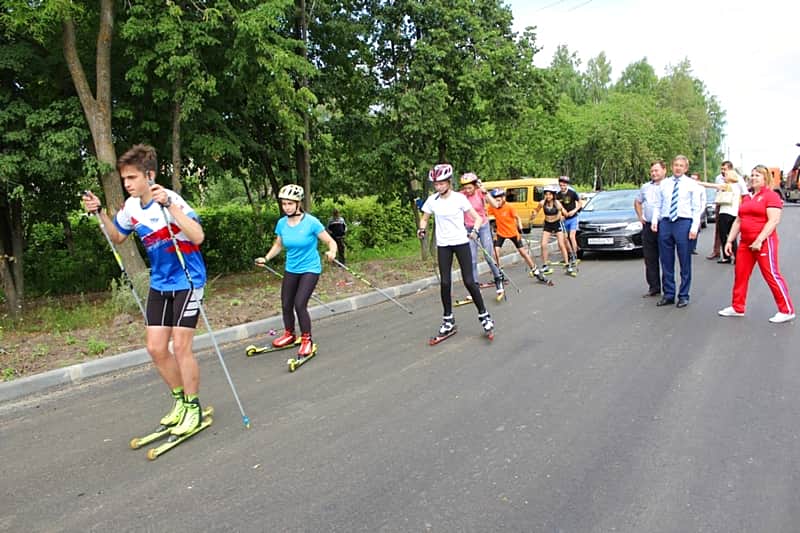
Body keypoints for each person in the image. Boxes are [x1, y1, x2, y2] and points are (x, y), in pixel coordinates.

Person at [82, 144, 208, 436]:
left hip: (188, 280)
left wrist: (170, 207)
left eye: (132, 178)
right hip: (160, 282)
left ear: (149, 175)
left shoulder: (171, 199)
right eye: (124, 179)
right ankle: (179, 401)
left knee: (181, 345)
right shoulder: (130, 208)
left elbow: (198, 236)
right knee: (154, 347)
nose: (126, 184)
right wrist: (100, 212)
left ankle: (194, 407)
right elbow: (118, 237)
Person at [255, 184, 338, 357]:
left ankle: (306, 339)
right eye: (284, 204)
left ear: (298, 203)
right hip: (291, 268)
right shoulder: (282, 223)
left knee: (300, 304)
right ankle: (289, 334)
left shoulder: (311, 222)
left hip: (310, 269)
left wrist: (332, 252)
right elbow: (278, 244)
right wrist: (267, 258)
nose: (286, 207)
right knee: (286, 304)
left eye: (290, 204)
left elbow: (330, 241)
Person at [417, 164, 495, 337]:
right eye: (436, 184)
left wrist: (474, 231)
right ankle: (448, 319)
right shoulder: (432, 200)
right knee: (445, 283)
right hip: (444, 245)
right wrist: (421, 229)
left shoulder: (459, 198)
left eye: (441, 183)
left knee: (469, 281)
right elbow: (424, 219)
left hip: (461, 243)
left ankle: (484, 316)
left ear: (449, 182)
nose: (438, 187)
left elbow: (477, 218)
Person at [718, 166, 794, 323]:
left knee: (771, 274)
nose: (753, 178)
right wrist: (730, 240)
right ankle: (737, 307)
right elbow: (739, 221)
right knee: (741, 274)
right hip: (746, 243)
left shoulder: (771, 196)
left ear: (765, 178)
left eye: (757, 175)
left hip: (764, 242)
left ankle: (786, 310)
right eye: (751, 175)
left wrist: (759, 239)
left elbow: (773, 220)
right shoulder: (747, 198)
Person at [651, 155, 703, 308]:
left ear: (686, 168)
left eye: (681, 165)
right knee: (666, 260)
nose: (678, 168)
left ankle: (684, 295)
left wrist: (694, 227)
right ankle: (668, 294)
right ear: (672, 166)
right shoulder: (664, 184)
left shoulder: (692, 184)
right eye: (675, 165)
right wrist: (655, 220)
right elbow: (658, 204)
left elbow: (696, 208)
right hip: (666, 222)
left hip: (683, 222)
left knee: (684, 260)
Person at [459, 172, 504, 299]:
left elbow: (496, 205)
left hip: (483, 226)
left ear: (475, 185)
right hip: (469, 228)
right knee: (472, 260)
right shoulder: (461, 196)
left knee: (488, 256)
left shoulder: (480, 192)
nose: (467, 190)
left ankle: (498, 279)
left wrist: (485, 192)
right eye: (465, 188)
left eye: (470, 187)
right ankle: (475, 288)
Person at [487, 188, 542, 277]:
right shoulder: (492, 207)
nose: (497, 203)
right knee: (495, 252)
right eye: (495, 201)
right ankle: (498, 271)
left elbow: (517, 217)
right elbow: (487, 215)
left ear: (503, 198)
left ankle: (534, 268)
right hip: (501, 233)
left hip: (513, 232)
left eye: (499, 200)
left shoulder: (509, 207)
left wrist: (520, 226)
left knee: (522, 252)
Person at [634, 159, 666, 297]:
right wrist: (640, 216)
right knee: (650, 258)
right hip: (648, 226)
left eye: (656, 170)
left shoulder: (669, 185)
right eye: (652, 171)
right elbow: (637, 201)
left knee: (666, 257)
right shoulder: (645, 187)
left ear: (664, 171)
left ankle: (668, 288)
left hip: (664, 225)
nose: (654, 173)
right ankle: (654, 287)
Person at [531, 186, 570, 275]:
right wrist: (533, 215)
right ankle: (545, 265)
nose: (548, 196)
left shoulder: (557, 203)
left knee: (561, 244)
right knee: (543, 244)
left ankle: (567, 264)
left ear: (553, 195)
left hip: (556, 224)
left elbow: (565, 213)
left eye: (550, 194)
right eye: (546, 194)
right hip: (547, 224)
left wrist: (563, 216)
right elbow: (536, 211)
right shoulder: (542, 203)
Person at [706, 161, 734, 259]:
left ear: (730, 169)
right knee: (719, 229)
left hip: (731, 205)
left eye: (724, 169)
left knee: (731, 230)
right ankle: (717, 251)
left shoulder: (735, 178)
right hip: (720, 203)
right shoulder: (718, 178)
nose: (722, 171)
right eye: (721, 169)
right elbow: (716, 190)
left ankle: (734, 253)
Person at [555, 176, 582, 261]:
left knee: (572, 236)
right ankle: (570, 254)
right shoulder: (558, 195)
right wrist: (561, 215)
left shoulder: (572, 193)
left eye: (564, 185)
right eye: (561, 185)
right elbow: (558, 208)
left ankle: (575, 254)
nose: (562, 187)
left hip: (573, 218)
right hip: (564, 219)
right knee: (565, 238)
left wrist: (574, 210)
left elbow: (580, 203)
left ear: (567, 185)